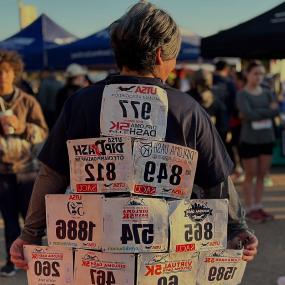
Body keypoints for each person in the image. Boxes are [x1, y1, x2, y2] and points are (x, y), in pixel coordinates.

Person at [10, 2, 258, 272]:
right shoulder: (187, 109)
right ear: (162, 55)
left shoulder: (80, 103)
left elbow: (51, 174)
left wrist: (30, 234)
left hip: (94, 259)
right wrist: (237, 228)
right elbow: (217, 183)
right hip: (166, 259)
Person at [0, 50, 48, 276]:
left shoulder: (27, 102)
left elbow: (43, 134)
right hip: (2, 172)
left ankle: (36, 263)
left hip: (28, 171)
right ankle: (11, 263)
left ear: (13, 73)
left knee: (32, 223)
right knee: (9, 221)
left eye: (5, 71)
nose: (1, 76)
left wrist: (21, 127)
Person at [237, 61, 279, 223]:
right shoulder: (242, 94)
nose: (259, 77)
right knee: (251, 174)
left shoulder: (268, 92)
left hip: (267, 138)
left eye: (261, 73)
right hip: (249, 139)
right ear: (247, 74)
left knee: (262, 174)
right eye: (255, 73)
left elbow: (276, 110)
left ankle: (258, 206)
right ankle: (249, 208)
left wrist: (258, 112)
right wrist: (266, 112)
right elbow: (248, 114)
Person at [188, 69, 228, 141]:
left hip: (192, 140)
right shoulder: (217, 97)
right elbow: (223, 126)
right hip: (210, 140)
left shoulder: (186, 97)